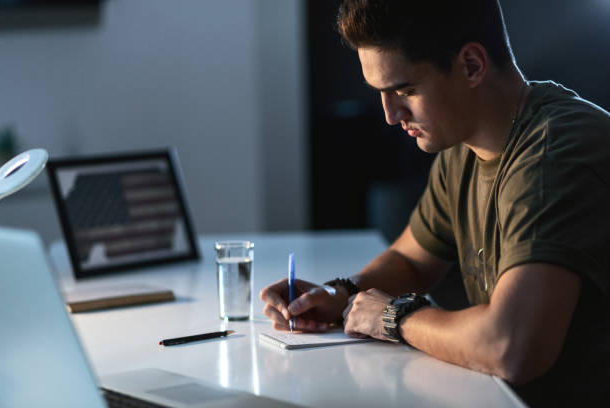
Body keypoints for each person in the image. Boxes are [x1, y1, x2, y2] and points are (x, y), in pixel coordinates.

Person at [260, 0, 610, 405]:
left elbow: (509, 346)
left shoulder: (555, 157)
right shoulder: (464, 144)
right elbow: (411, 261)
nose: (391, 115)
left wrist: (394, 317)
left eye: (405, 89)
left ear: (472, 66)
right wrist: (337, 295)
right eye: (381, 93)